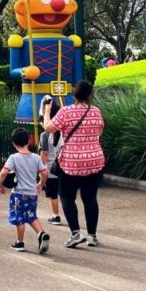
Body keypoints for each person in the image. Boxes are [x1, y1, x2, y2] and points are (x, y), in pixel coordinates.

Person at [42, 80, 105, 248]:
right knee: (90, 198)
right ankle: (92, 236)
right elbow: (100, 131)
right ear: (90, 95)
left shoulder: (66, 111)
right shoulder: (96, 111)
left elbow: (48, 128)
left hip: (71, 162)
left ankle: (76, 233)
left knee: (67, 196)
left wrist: (47, 111)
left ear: (74, 95)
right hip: (94, 159)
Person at [0, 128, 50, 254]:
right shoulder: (36, 158)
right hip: (32, 193)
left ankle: (19, 242)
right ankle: (41, 233)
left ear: (13, 143)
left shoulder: (14, 157)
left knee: (19, 219)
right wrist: (40, 184)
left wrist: (0, 185)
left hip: (18, 194)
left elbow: (4, 172)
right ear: (29, 141)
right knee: (31, 215)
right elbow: (44, 173)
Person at [38, 96, 63, 225]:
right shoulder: (64, 130)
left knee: (53, 195)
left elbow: (44, 154)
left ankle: (56, 216)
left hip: (51, 170)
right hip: (65, 168)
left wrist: (41, 170)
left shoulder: (45, 135)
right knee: (64, 194)